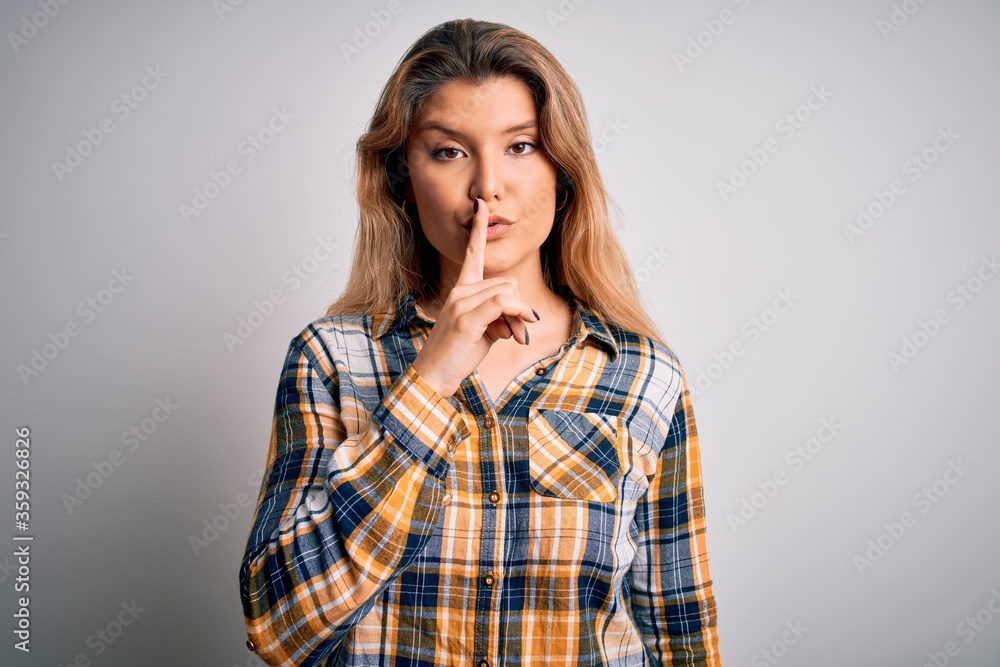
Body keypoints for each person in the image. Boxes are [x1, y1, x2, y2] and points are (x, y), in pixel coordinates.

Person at [239, 17, 721, 667]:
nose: (487, 186)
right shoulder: (331, 360)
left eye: (520, 146)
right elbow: (278, 628)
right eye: (449, 151)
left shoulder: (644, 375)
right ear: (403, 178)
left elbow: (681, 635)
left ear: (563, 171)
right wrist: (429, 383)